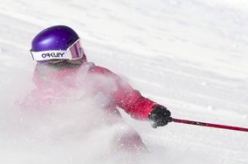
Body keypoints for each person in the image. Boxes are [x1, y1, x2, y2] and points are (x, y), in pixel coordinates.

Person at [25, 25, 172, 150]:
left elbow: (131, 100)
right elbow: (21, 125)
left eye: (79, 47)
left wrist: (152, 111)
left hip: (125, 150)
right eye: (75, 50)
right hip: (83, 161)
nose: (81, 53)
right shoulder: (42, 95)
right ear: (56, 57)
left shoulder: (96, 77)